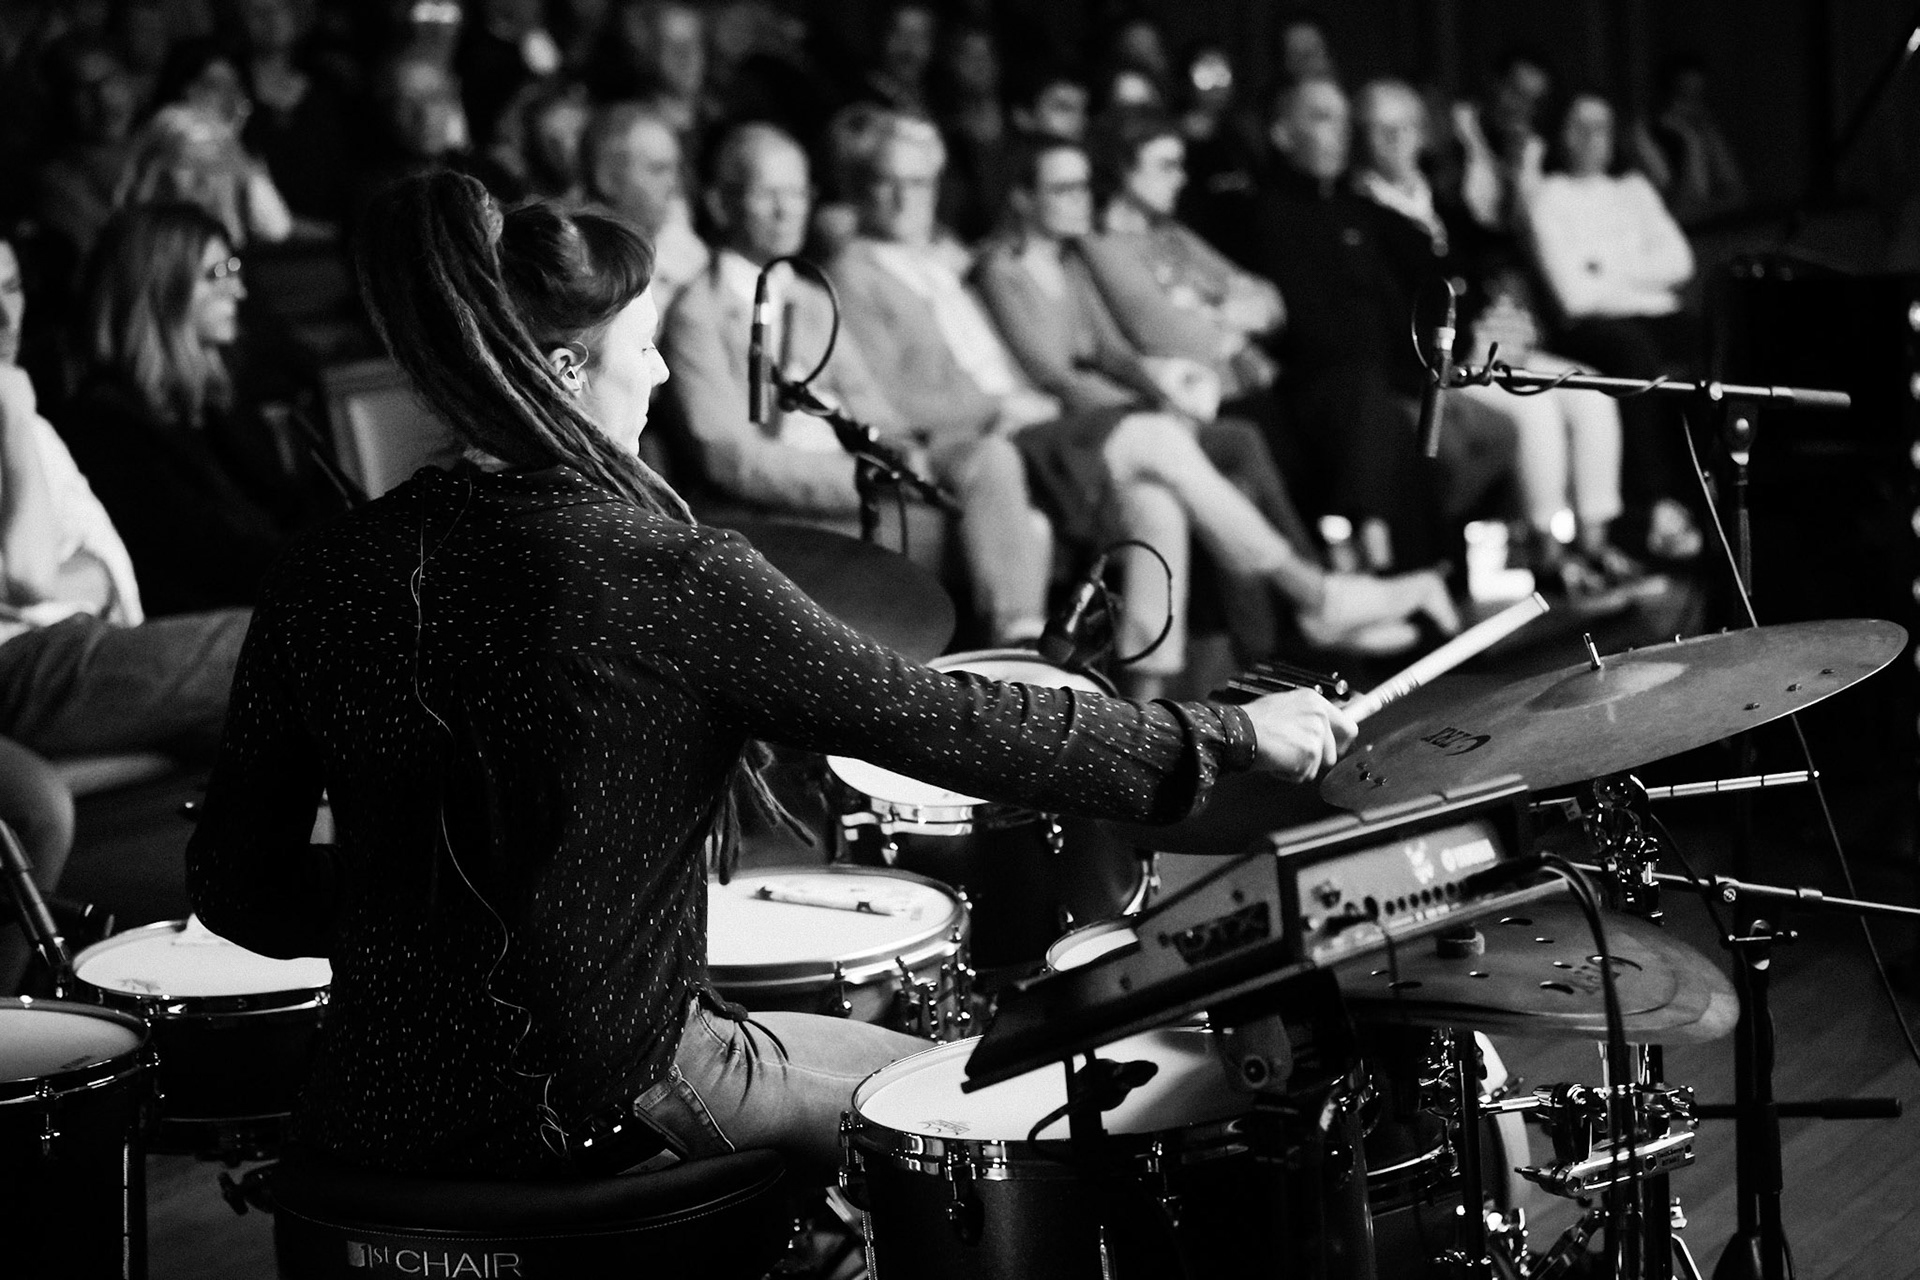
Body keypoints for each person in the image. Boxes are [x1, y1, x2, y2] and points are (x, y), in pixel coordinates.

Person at [183, 170, 1357, 1182]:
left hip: (367, 1108)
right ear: (563, 366)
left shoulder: (321, 570)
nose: (654, 382)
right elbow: (946, 719)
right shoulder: (658, 568)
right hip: (599, 1097)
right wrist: (1228, 737)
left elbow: (238, 884)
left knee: (921, 1067)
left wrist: (428, 923)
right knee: (993, 1119)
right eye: (643, 349)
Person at [976, 132, 1453, 663]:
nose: (1081, 199)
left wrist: (1160, 393)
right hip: (1067, 433)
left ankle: (1292, 621)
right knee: (1233, 444)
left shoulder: (1069, 263)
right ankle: (1315, 601)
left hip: (1108, 418)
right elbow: (1054, 373)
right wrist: (1147, 404)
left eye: (1083, 186)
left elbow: (1115, 353)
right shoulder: (1004, 269)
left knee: (1239, 444)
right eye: (1062, 189)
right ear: (1022, 197)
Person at [1253, 76, 1517, 575]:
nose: (1338, 134)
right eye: (1321, 118)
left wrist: (1441, 366)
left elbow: (1398, 307)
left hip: (1398, 373)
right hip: (1328, 381)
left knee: (1495, 428)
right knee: (1394, 420)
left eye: (1341, 120)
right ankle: (1387, 560)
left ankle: (1430, 566)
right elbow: (1302, 323)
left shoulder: (1350, 210)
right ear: (1283, 134)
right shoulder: (1270, 211)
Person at [59, 204, 341, 615]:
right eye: (217, 274)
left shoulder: (214, 399)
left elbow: (287, 509)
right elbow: (212, 561)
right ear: (159, 290)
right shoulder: (106, 426)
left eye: (235, 268)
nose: (239, 291)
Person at [1525, 91, 1701, 563]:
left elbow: (1680, 263)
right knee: (1634, 356)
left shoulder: (1634, 190)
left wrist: (1603, 268)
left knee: (1715, 344)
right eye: (1578, 126)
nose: (1589, 139)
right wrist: (1637, 273)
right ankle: (1652, 509)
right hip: (1590, 329)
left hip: (1655, 317)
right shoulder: (1548, 197)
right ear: (1559, 133)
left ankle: (1710, 498)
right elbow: (1575, 296)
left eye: (1600, 126)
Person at [580, 101, 709, 307]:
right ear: (607, 178)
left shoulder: (689, 254)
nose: (673, 184)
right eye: (658, 170)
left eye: (676, 169)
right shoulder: (574, 263)